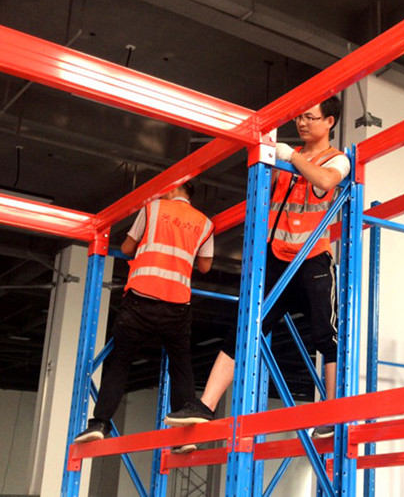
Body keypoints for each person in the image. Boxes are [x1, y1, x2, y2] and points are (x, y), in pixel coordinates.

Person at [164, 95, 349, 438]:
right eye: (299, 117)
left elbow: (326, 181)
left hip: (312, 260)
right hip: (276, 259)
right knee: (243, 328)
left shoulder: (335, 159)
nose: (302, 122)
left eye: (310, 117)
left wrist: (291, 157)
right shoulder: (284, 158)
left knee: (326, 334)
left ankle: (332, 412)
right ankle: (205, 406)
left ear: (329, 122)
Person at [73, 182, 214, 453]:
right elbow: (205, 266)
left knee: (121, 364)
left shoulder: (153, 208)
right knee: (181, 365)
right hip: (177, 306)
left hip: (140, 300)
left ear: (174, 189)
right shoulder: (205, 223)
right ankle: (185, 436)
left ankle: (99, 423)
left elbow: (127, 248)